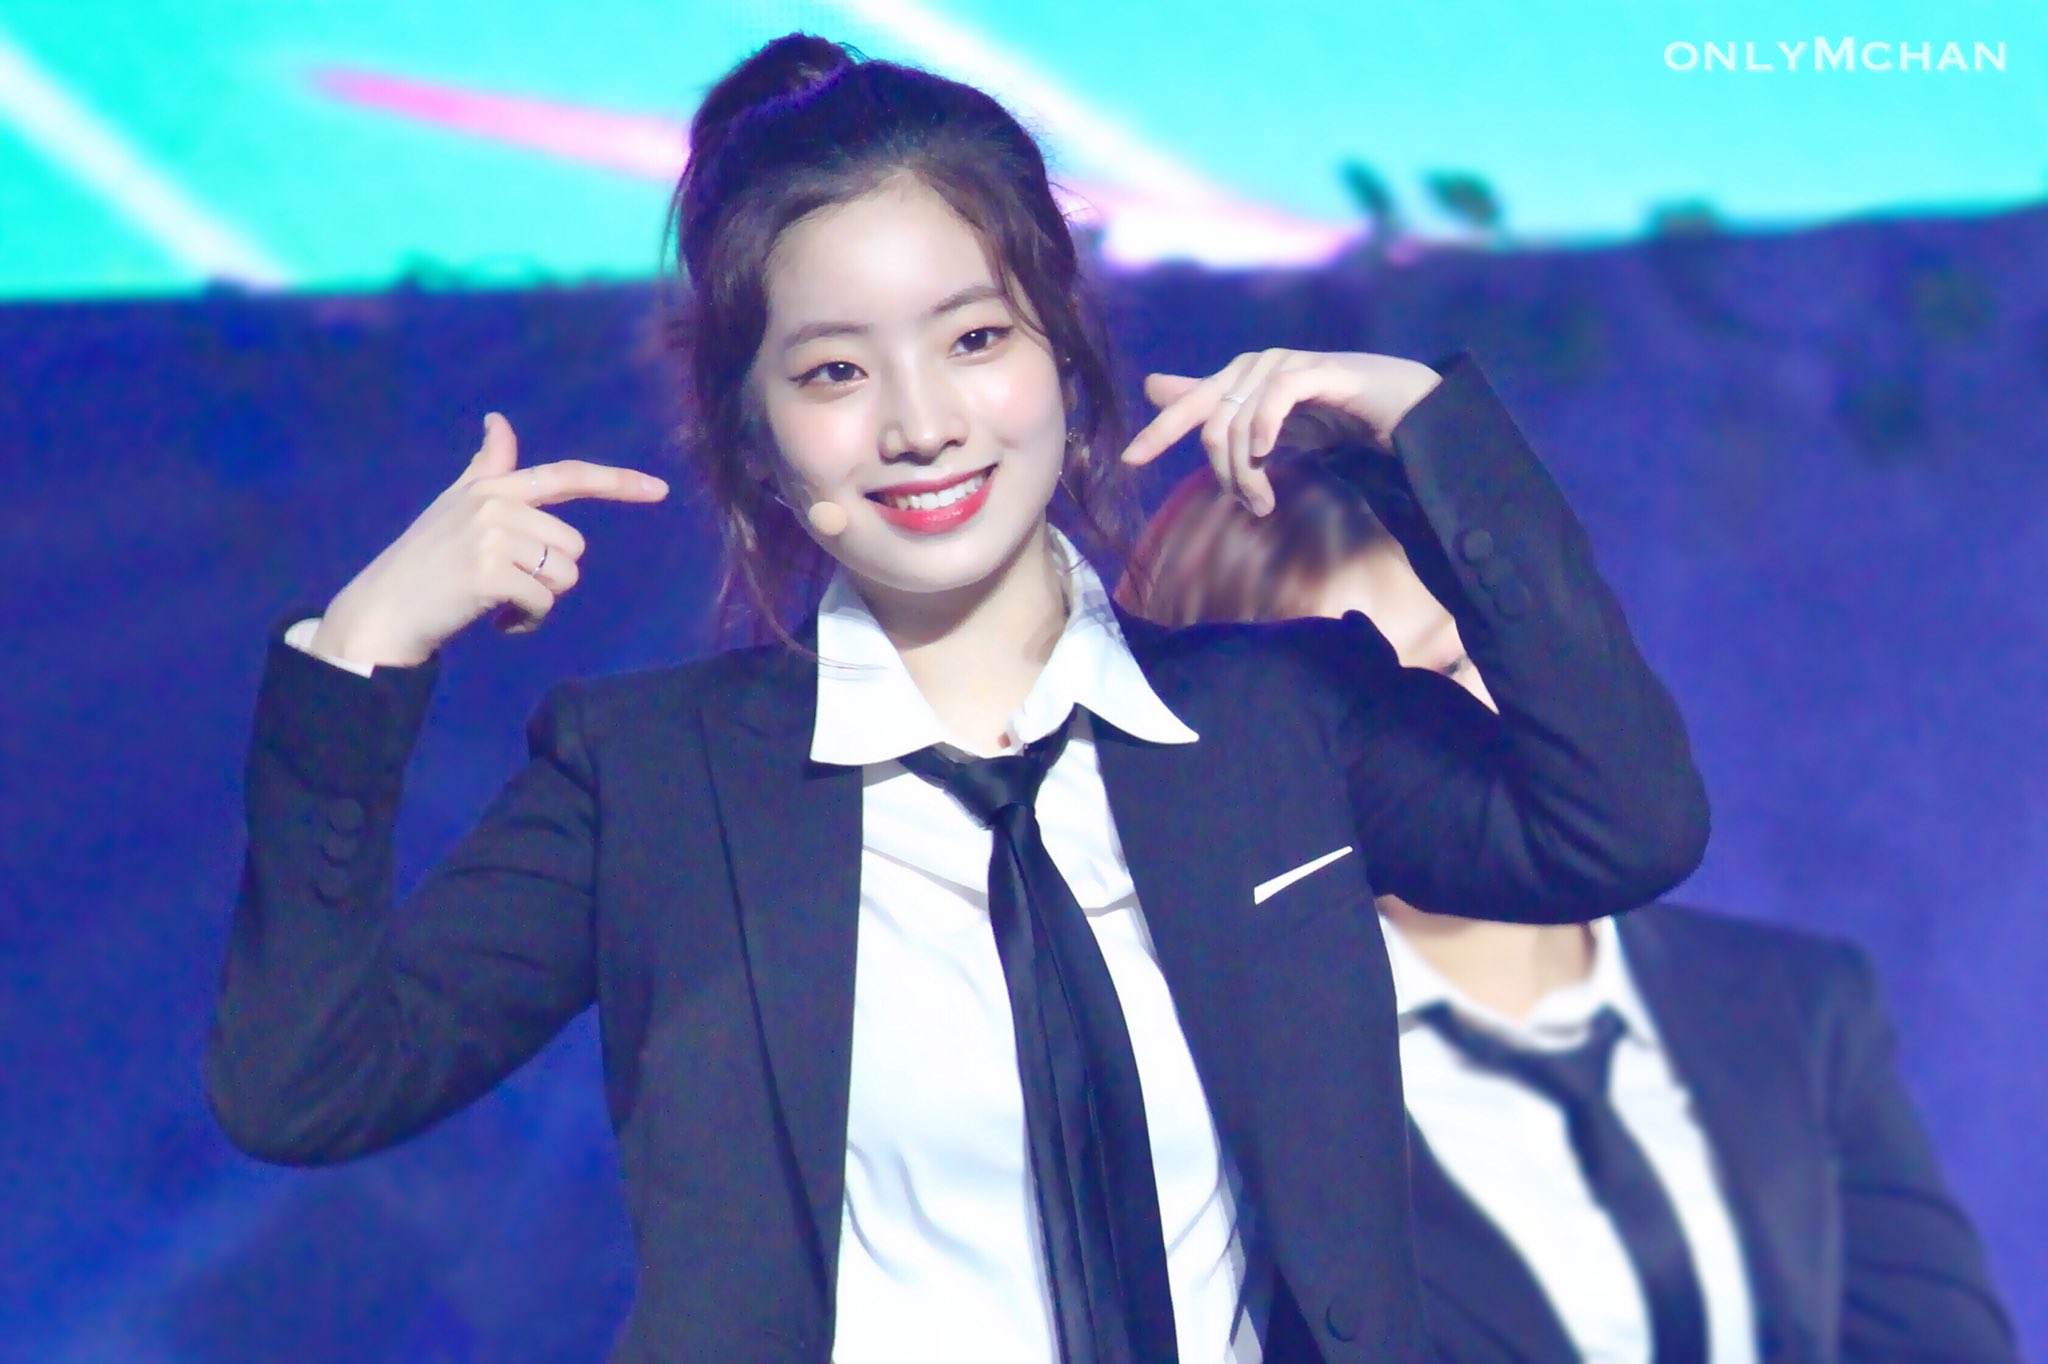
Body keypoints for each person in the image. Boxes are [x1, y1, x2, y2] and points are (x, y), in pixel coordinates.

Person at [203, 33, 1711, 1364]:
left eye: (975, 338)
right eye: (834, 372)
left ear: (1066, 350)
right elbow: (305, 1088)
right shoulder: (650, 778)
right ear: (752, 431)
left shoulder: (1274, 716)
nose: (921, 424)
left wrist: (1422, 441)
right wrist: (360, 647)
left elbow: (1620, 825)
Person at [1117, 454, 2020, 1364]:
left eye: (1451, 663)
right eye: (1356, 718)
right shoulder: (1248, 1090)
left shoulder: (1794, 1001)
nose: (1429, 738)